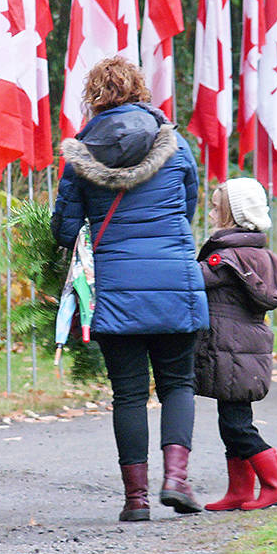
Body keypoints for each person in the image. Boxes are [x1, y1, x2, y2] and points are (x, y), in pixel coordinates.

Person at [52, 57, 208, 522]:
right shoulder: (176, 146)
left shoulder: (81, 155)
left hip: (115, 288)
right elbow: (189, 209)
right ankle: (176, 479)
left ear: (95, 98)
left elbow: (64, 230)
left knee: (128, 393)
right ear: (141, 91)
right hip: (174, 281)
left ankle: (136, 500)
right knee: (179, 382)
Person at [196, 178, 277, 511]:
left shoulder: (225, 259)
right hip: (243, 350)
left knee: (238, 425)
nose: (209, 213)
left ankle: (274, 485)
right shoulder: (257, 254)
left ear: (232, 214)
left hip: (231, 350)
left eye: (214, 207)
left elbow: (191, 279)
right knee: (232, 421)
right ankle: (239, 490)